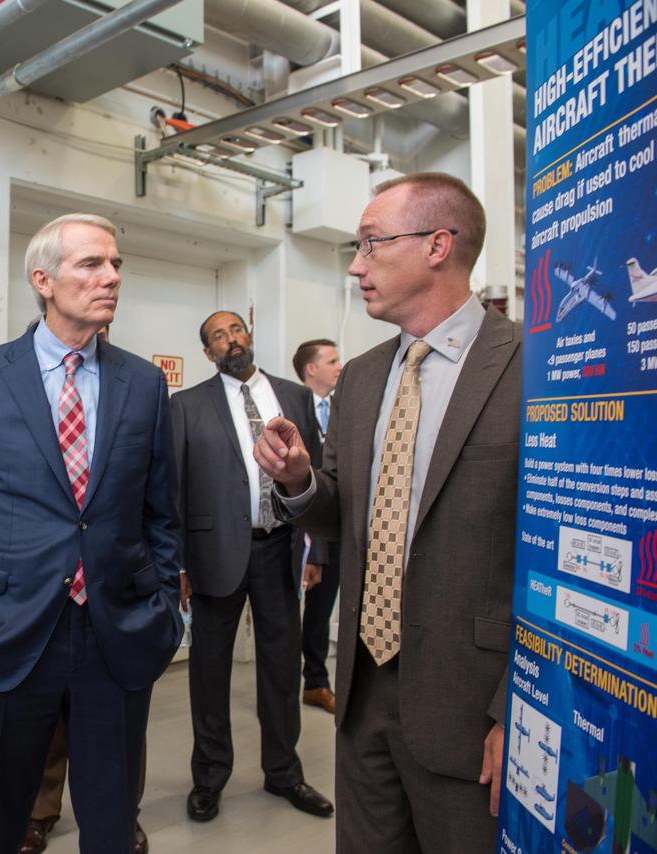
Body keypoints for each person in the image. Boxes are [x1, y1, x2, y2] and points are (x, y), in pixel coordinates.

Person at [254, 172, 519, 852]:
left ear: (437, 245)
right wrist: (299, 480)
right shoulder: (365, 376)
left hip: (471, 703)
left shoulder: (530, 368)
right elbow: (341, 512)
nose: (355, 263)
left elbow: (553, 556)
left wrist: (516, 704)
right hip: (363, 691)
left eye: (372, 244)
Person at [0, 213, 182, 854]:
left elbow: (160, 514)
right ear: (43, 279)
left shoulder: (144, 383)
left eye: (116, 264)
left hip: (116, 632)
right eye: (92, 264)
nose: (112, 277)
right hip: (6, 629)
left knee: (111, 823)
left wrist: (162, 609)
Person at [171, 310, 333, 823]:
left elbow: (321, 480)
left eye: (235, 330)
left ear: (250, 335)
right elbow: (173, 490)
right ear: (207, 352)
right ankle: (210, 778)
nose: (230, 340)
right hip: (213, 556)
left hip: (280, 549)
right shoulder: (186, 405)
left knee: (282, 670)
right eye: (217, 337)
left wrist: (320, 550)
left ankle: (284, 772)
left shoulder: (296, 396)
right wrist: (177, 565)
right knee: (209, 673)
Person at [21, 325, 150, 854]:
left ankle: (122, 817)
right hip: (37, 601)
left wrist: (158, 598)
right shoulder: (12, 381)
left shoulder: (138, 383)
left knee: (118, 741)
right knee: (46, 728)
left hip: (114, 600)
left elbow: (155, 499)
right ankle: (39, 813)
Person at [291, 338, 343, 715]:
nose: (340, 366)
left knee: (322, 608)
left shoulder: (342, 409)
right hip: (295, 527)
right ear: (312, 368)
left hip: (333, 527)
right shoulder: (291, 406)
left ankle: (317, 681)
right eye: (332, 360)